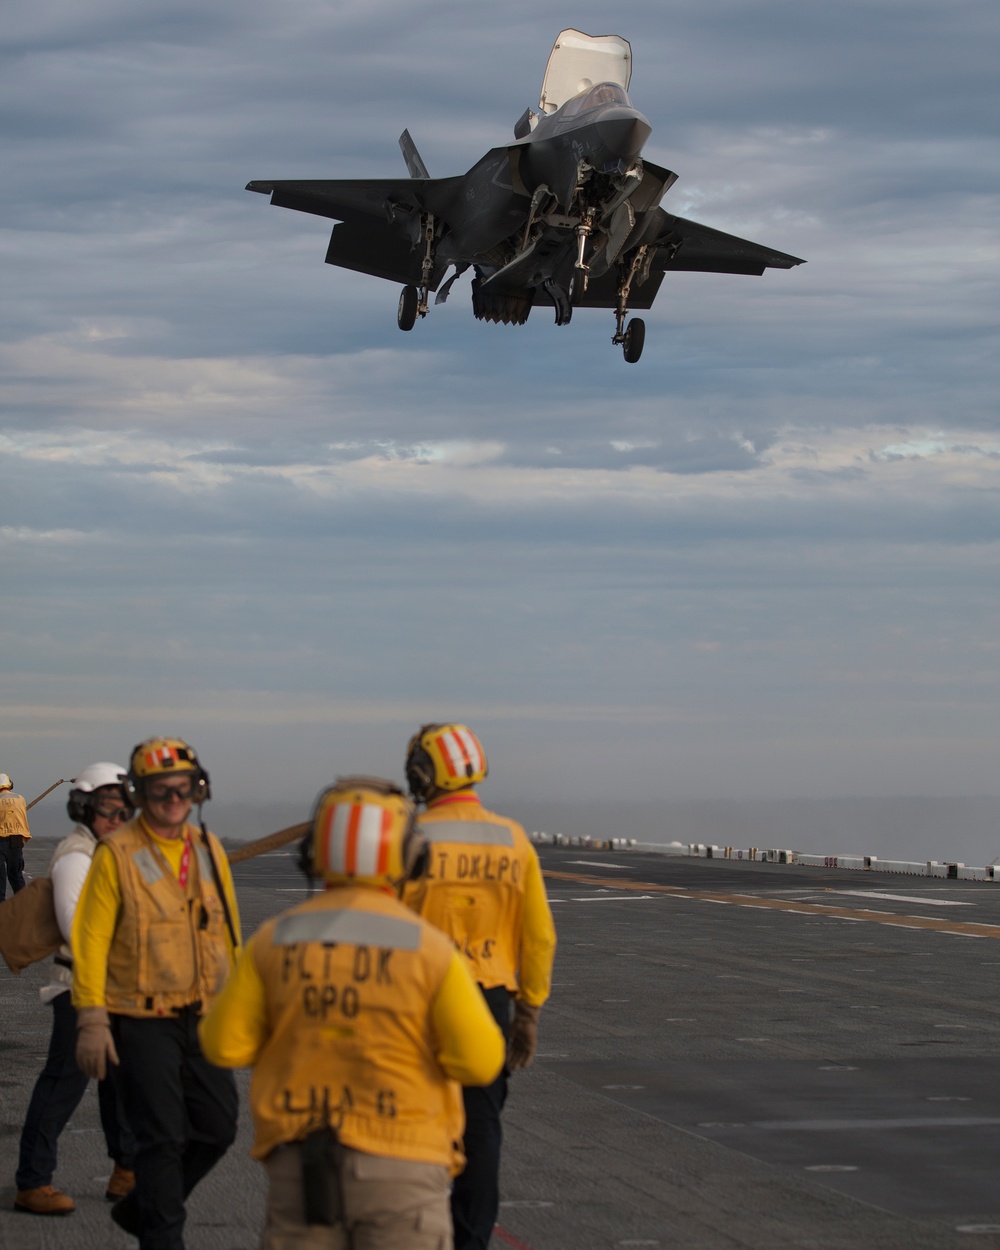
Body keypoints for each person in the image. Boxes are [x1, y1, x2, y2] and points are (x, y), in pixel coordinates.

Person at [199, 776, 505, 1250]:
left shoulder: (274, 940)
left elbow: (224, 1045)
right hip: (405, 1164)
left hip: (304, 1166)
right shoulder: (429, 949)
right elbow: (480, 1061)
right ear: (409, 857)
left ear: (313, 855)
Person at [71, 737, 241, 1250]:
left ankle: (143, 1207)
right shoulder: (117, 855)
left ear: (198, 789)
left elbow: (229, 936)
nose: (173, 797)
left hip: (204, 1016)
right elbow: (90, 940)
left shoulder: (208, 850)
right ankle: (162, 1232)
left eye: (182, 787)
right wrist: (92, 1020)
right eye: (160, 789)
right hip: (140, 1020)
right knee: (162, 1140)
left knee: (217, 1128)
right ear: (141, 795)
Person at [401, 724, 557, 1250]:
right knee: (481, 1133)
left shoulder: (407, 840)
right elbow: (538, 937)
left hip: (419, 1005)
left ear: (423, 774)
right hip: (488, 1007)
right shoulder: (513, 840)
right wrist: (529, 1011)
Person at [14, 763, 137, 1216]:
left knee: (119, 1083)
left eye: (123, 806)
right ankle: (33, 1181)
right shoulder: (77, 856)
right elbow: (79, 931)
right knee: (63, 1083)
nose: (116, 815)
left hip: (119, 989)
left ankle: (126, 1171)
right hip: (81, 989)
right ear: (84, 807)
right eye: (107, 806)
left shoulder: (115, 853)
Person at [0, 772, 31, 898]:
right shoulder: (20, 799)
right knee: (15, 875)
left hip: (0, 841)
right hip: (17, 841)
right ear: (10, 784)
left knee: (0, 877)